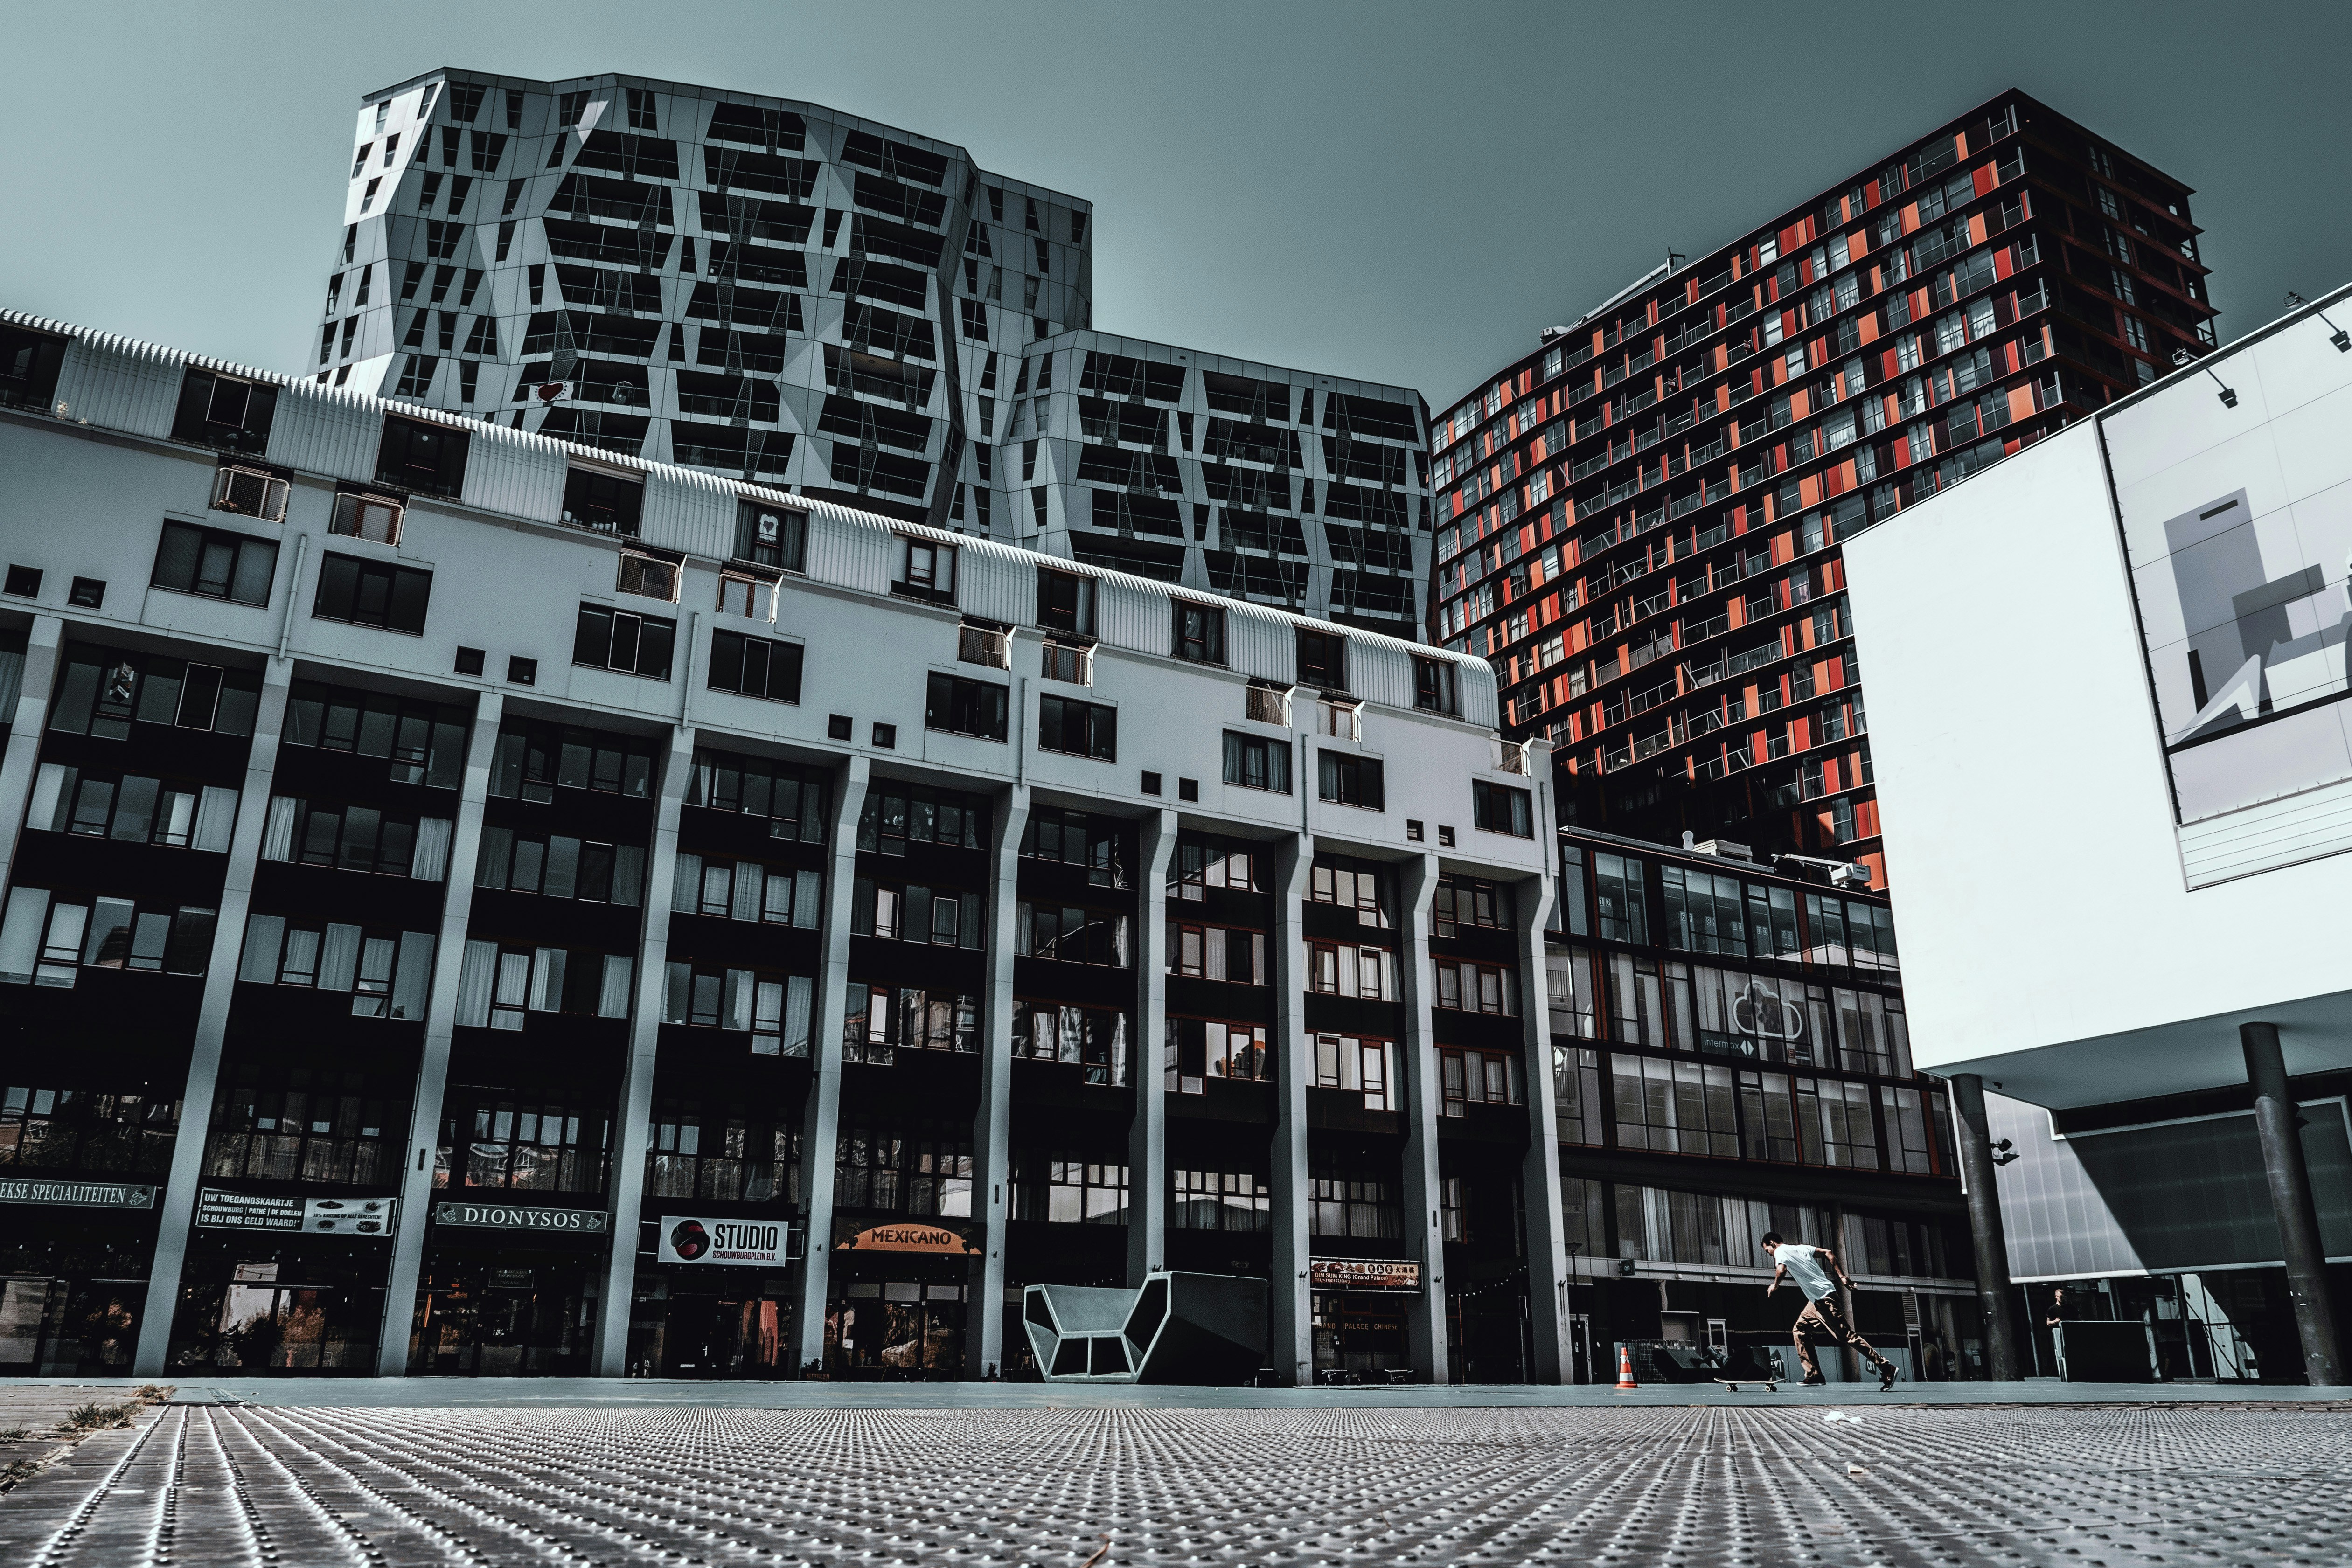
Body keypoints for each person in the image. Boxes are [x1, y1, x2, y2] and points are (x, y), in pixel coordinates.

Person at [1761, 1231, 1897, 1390]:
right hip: (1816, 1302)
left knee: (1846, 1336)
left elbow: (1781, 1270)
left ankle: (1886, 1367)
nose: (1769, 1254)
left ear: (1772, 1243)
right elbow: (1828, 1253)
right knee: (1800, 1330)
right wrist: (1842, 1276)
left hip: (1825, 1300)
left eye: (1767, 1251)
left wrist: (1775, 1285)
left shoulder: (1780, 1251)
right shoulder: (1801, 1248)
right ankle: (1814, 1375)